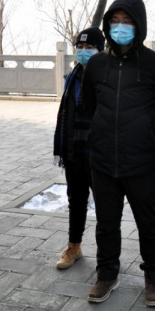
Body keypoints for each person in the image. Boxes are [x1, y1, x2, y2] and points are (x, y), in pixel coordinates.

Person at [81, 0, 155, 307]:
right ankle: (106, 274)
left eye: (127, 22)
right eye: (115, 21)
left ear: (138, 26)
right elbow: (89, 104)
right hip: (103, 160)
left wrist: (146, 128)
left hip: (142, 161)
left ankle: (153, 277)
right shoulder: (96, 64)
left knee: (148, 221)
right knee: (106, 223)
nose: (120, 27)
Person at [53, 27, 105, 269]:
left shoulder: (107, 77)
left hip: (99, 152)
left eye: (90, 48)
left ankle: (107, 254)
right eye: (80, 47)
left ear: (101, 50)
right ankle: (74, 246)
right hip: (74, 150)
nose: (83, 52)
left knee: (105, 204)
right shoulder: (72, 77)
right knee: (76, 200)